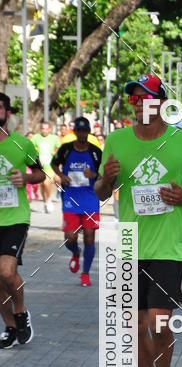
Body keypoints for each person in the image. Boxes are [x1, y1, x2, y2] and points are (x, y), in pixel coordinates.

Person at [95, 73, 182, 367]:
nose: (140, 103)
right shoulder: (115, 140)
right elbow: (100, 192)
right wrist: (107, 178)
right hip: (127, 243)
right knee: (133, 326)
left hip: (168, 246)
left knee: (159, 323)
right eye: (134, 98)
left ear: (161, 102)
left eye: (147, 97)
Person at [0, 93, 45, 348]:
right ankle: (9, 327)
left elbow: (40, 174)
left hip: (15, 216)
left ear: (7, 112)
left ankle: (21, 312)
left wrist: (25, 179)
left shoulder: (21, 144)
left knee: (7, 271)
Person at [51, 116, 103, 286]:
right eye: (79, 131)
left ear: (88, 132)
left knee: (89, 237)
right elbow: (53, 164)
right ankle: (75, 252)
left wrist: (94, 175)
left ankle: (86, 273)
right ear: (75, 132)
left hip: (90, 198)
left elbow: (104, 175)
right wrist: (61, 176)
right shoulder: (66, 149)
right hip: (71, 198)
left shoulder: (95, 152)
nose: (82, 134)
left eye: (85, 131)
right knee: (70, 237)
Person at [31, 121, 60, 213]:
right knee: (42, 186)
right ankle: (45, 203)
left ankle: (49, 200)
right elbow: (30, 148)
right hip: (40, 166)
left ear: (50, 129)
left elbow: (60, 148)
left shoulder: (54, 138)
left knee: (46, 183)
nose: (44, 130)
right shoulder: (36, 137)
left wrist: (55, 154)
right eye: (43, 128)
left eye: (46, 128)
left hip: (50, 166)